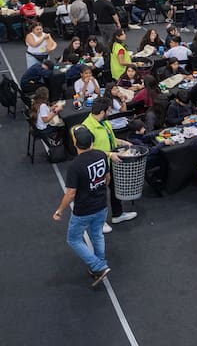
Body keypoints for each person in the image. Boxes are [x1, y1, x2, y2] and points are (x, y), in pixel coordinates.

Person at [52, 125, 112, 287]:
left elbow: (71, 193)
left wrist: (59, 210)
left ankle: (98, 266)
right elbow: (107, 178)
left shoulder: (75, 166)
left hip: (84, 209)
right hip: (101, 204)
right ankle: (99, 266)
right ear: (91, 141)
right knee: (97, 235)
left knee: (73, 239)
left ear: (75, 143)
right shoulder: (101, 155)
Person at [81, 97, 138, 228]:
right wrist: (109, 154)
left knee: (114, 188)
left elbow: (110, 138)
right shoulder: (87, 127)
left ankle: (117, 214)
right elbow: (89, 150)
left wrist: (123, 142)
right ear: (102, 112)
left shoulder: (104, 122)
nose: (110, 112)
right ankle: (99, 223)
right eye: (108, 110)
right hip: (97, 166)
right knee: (98, 195)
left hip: (110, 162)